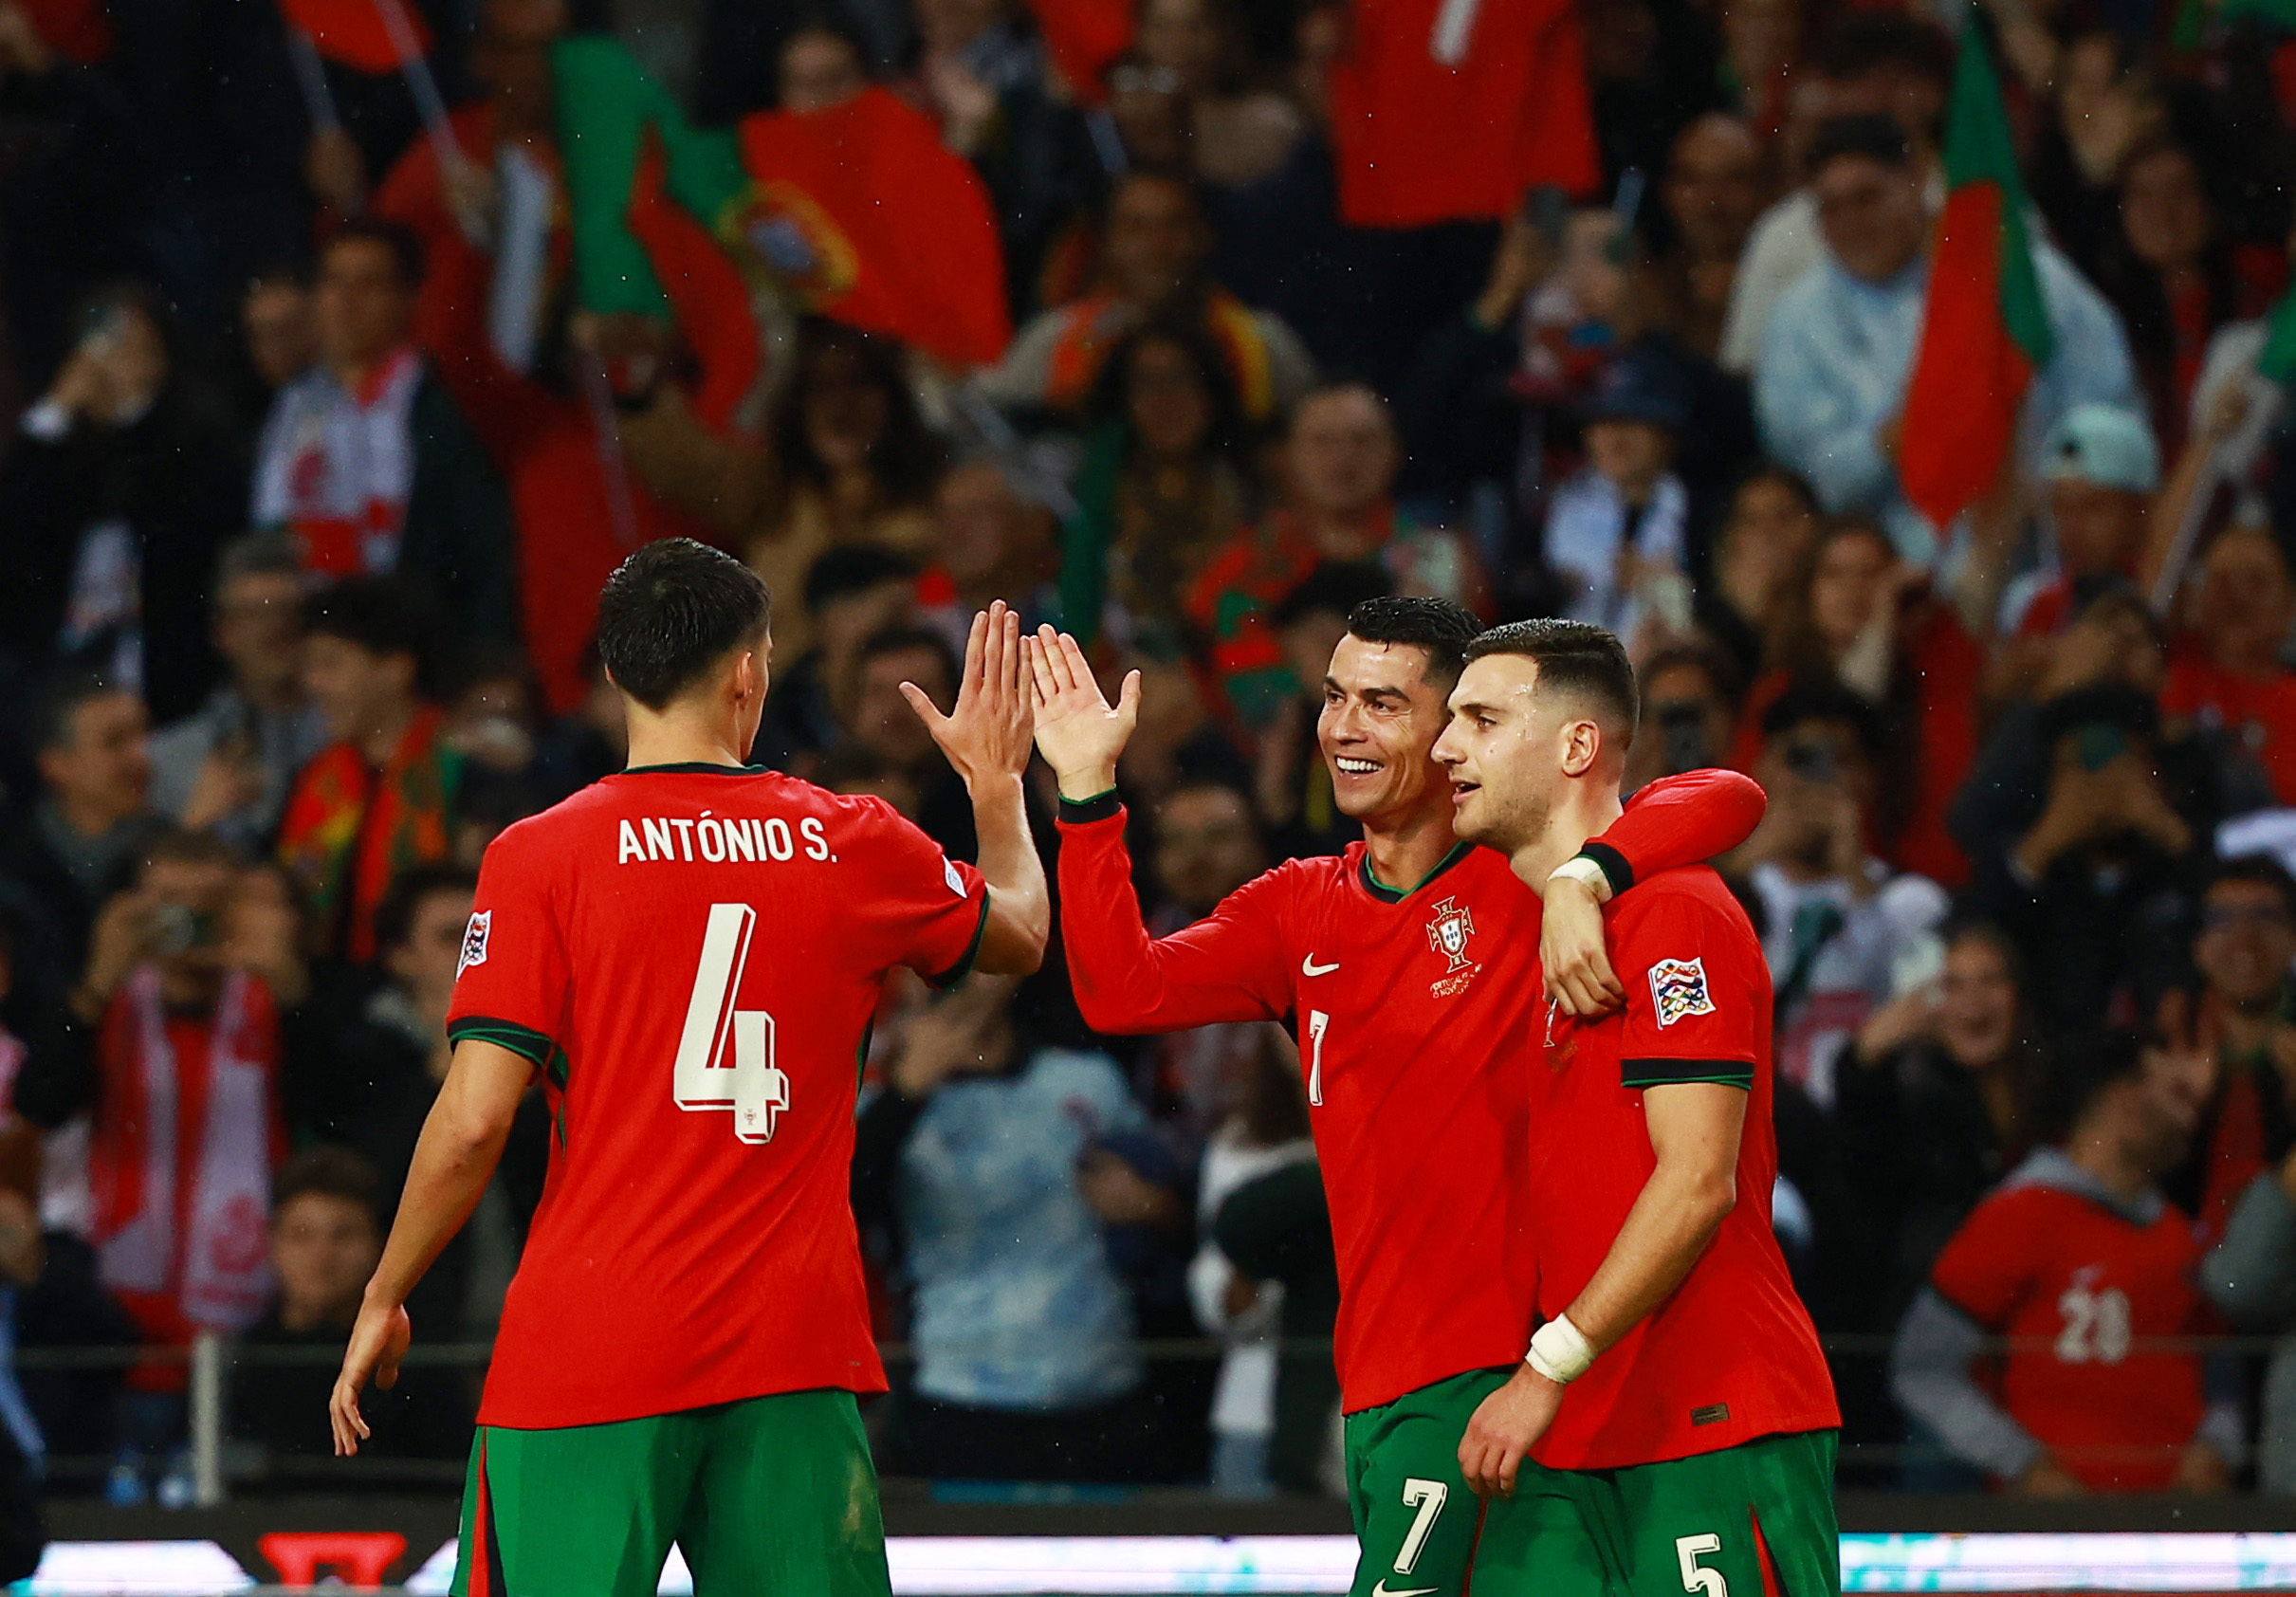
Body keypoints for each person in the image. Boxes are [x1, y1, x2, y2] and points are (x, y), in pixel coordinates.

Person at [328, 542, 1050, 1596]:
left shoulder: (540, 855)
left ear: (616, 675)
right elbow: (1022, 932)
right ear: (750, 671)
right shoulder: (849, 838)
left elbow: (478, 1117)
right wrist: (996, 788)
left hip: (591, 1347)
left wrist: (386, 1291)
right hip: (790, 1352)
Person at [1028, 597, 1766, 1597]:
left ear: (1456, 731)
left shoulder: (1521, 874)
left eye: (1383, 703)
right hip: (1375, 1377)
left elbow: (1729, 795)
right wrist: (1085, 789)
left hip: (1503, 1373)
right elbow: (1122, 989)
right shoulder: (1298, 906)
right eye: (1335, 697)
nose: (1343, 726)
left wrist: (1585, 876)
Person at [1428, 618, 1838, 1597]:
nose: (1448, 746)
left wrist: (1545, 1367)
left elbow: (1697, 1182)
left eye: (1481, 720)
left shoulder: (1671, 914)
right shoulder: (1529, 928)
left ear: (1575, 747)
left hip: (1709, 1417)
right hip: (1584, 1429)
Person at [1754, 113, 2139, 567]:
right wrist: (1891, 440)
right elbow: (1807, 479)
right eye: (1831, 209)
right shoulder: (1797, 322)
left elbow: (2112, 410)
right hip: (1890, 572)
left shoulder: (2026, 279)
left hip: (2043, 552)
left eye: (1868, 198)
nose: (1852, 223)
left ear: (1917, 180)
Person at [851, 975, 1179, 1481]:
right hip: (957, 1399)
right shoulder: (878, 1109)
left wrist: (1155, 1210)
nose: (952, 980)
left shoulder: (1087, 1082)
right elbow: (841, 1208)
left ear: (1008, 977)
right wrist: (906, 1093)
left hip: (1099, 1390)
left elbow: (1178, 1221)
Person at [1892, 1034, 2239, 1494]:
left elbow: (2223, 1372)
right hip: (2052, 1543)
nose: (2189, 1117)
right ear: (2123, 1099)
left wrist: (2217, 1448)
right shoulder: (2020, 1215)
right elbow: (1922, 1366)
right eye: (2174, 1093)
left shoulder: (2177, 1233)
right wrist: (2025, 1466)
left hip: (2173, 1539)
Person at [250, 220, 517, 642]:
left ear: (408, 300)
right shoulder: (294, 406)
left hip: (409, 640)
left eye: (368, 284)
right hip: (309, 640)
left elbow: (477, 550)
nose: (346, 302)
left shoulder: (438, 406)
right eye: (334, 283)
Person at [1188, 383, 1479, 731]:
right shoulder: (1243, 562)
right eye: (1323, 443)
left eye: (1362, 441)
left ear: (1394, 452)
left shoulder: (1442, 557)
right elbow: (1201, 672)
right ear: (1287, 457)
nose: (1344, 459)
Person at [1732, 682, 1950, 1106]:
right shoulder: (1724, 890)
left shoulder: (1910, 901)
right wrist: (1751, 857)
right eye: (1798, 757)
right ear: (1763, 767)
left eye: (1838, 760)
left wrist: (1853, 873)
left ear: (1867, 778)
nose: (1813, 778)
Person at [981, 172, 1316, 425]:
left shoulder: (1262, 344)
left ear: (1204, 237)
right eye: (1136, 228)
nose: (1157, 246)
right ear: (1108, 243)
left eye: (1175, 225)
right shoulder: (1053, 342)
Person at [232, 1147, 470, 1484]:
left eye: (343, 1235)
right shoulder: (238, 1363)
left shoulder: (416, 1363)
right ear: (271, 1243)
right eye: (302, 1235)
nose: (322, 1255)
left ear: (380, 1247)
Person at [276, 578, 460, 966]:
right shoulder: (315, 779)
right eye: (309, 667)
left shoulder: (459, 770)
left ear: (396, 669)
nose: (314, 684)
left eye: (330, 664)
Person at [145, 535, 328, 854]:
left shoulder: (352, 737)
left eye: (288, 609)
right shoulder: (168, 759)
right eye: (254, 613)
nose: (275, 626)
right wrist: (192, 829)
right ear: (221, 633)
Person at [0, 672, 156, 981]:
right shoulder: (9, 863)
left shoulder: (165, 846)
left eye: (144, 737)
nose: (141, 756)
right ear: (56, 765)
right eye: (114, 742)